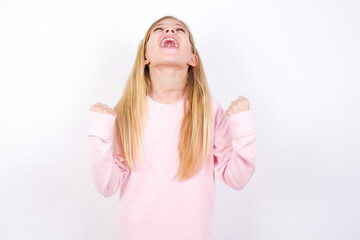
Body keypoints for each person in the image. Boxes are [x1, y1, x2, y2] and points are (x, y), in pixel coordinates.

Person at [87, 15, 256, 240]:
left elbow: (237, 178)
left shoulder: (208, 111)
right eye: (160, 29)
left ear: (192, 59)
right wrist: (99, 134)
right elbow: (106, 186)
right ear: (145, 57)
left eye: (179, 30)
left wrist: (243, 129)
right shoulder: (126, 113)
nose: (169, 32)